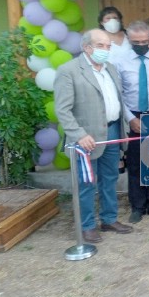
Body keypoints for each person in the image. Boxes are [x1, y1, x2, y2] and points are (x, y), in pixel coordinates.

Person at [54, 29, 132, 243]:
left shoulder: (111, 69)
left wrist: (124, 127)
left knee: (110, 179)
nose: (105, 50)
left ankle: (109, 219)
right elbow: (63, 110)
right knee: (86, 182)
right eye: (101, 46)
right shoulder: (68, 71)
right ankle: (87, 225)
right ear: (86, 47)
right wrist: (79, 135)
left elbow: (118, 101)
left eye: (108, 46)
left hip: (112, 132)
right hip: (86, 138)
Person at [113, 21, 149, 224]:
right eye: (136, 42)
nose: (141, 44)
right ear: (129, 40)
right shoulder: (119, 62)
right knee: (136, 162)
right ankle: (137, 206)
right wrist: (130, 119)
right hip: (134, 115)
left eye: (145, 41)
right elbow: (117, 95)